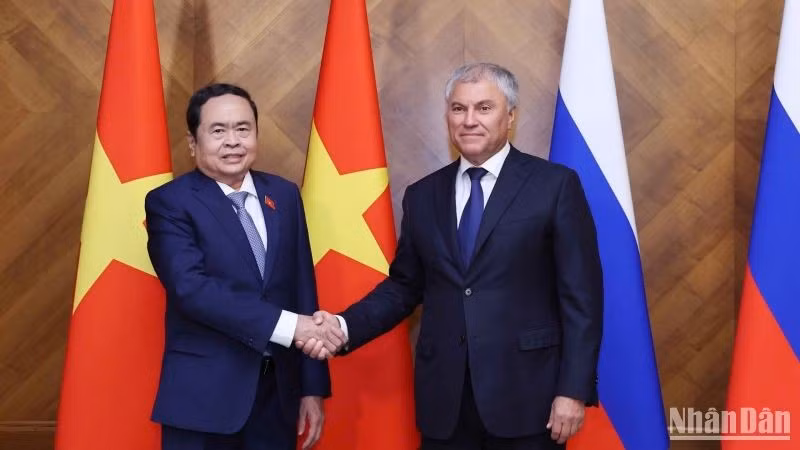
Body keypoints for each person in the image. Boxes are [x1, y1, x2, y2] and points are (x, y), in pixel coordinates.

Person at [299, 63, 603, 449]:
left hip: (530, 401)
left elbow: (582, 299)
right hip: (445, 405)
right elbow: (404, 288)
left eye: (484, 108)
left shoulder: (555, 186)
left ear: (510, 116)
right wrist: (342, 327)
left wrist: (573, 390)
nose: (469, 120)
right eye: (459, 109)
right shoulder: (423, 195)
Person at [145, 83, 346, 450]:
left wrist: (312, 388)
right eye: (218, 131)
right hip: (204, 402)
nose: (233, 141)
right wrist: (290, 327)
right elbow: (192, 289)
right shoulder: (169, 203)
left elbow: (303, 287)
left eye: (243, 129)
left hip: (277, 399)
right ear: (193, 143)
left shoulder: (284, 195)